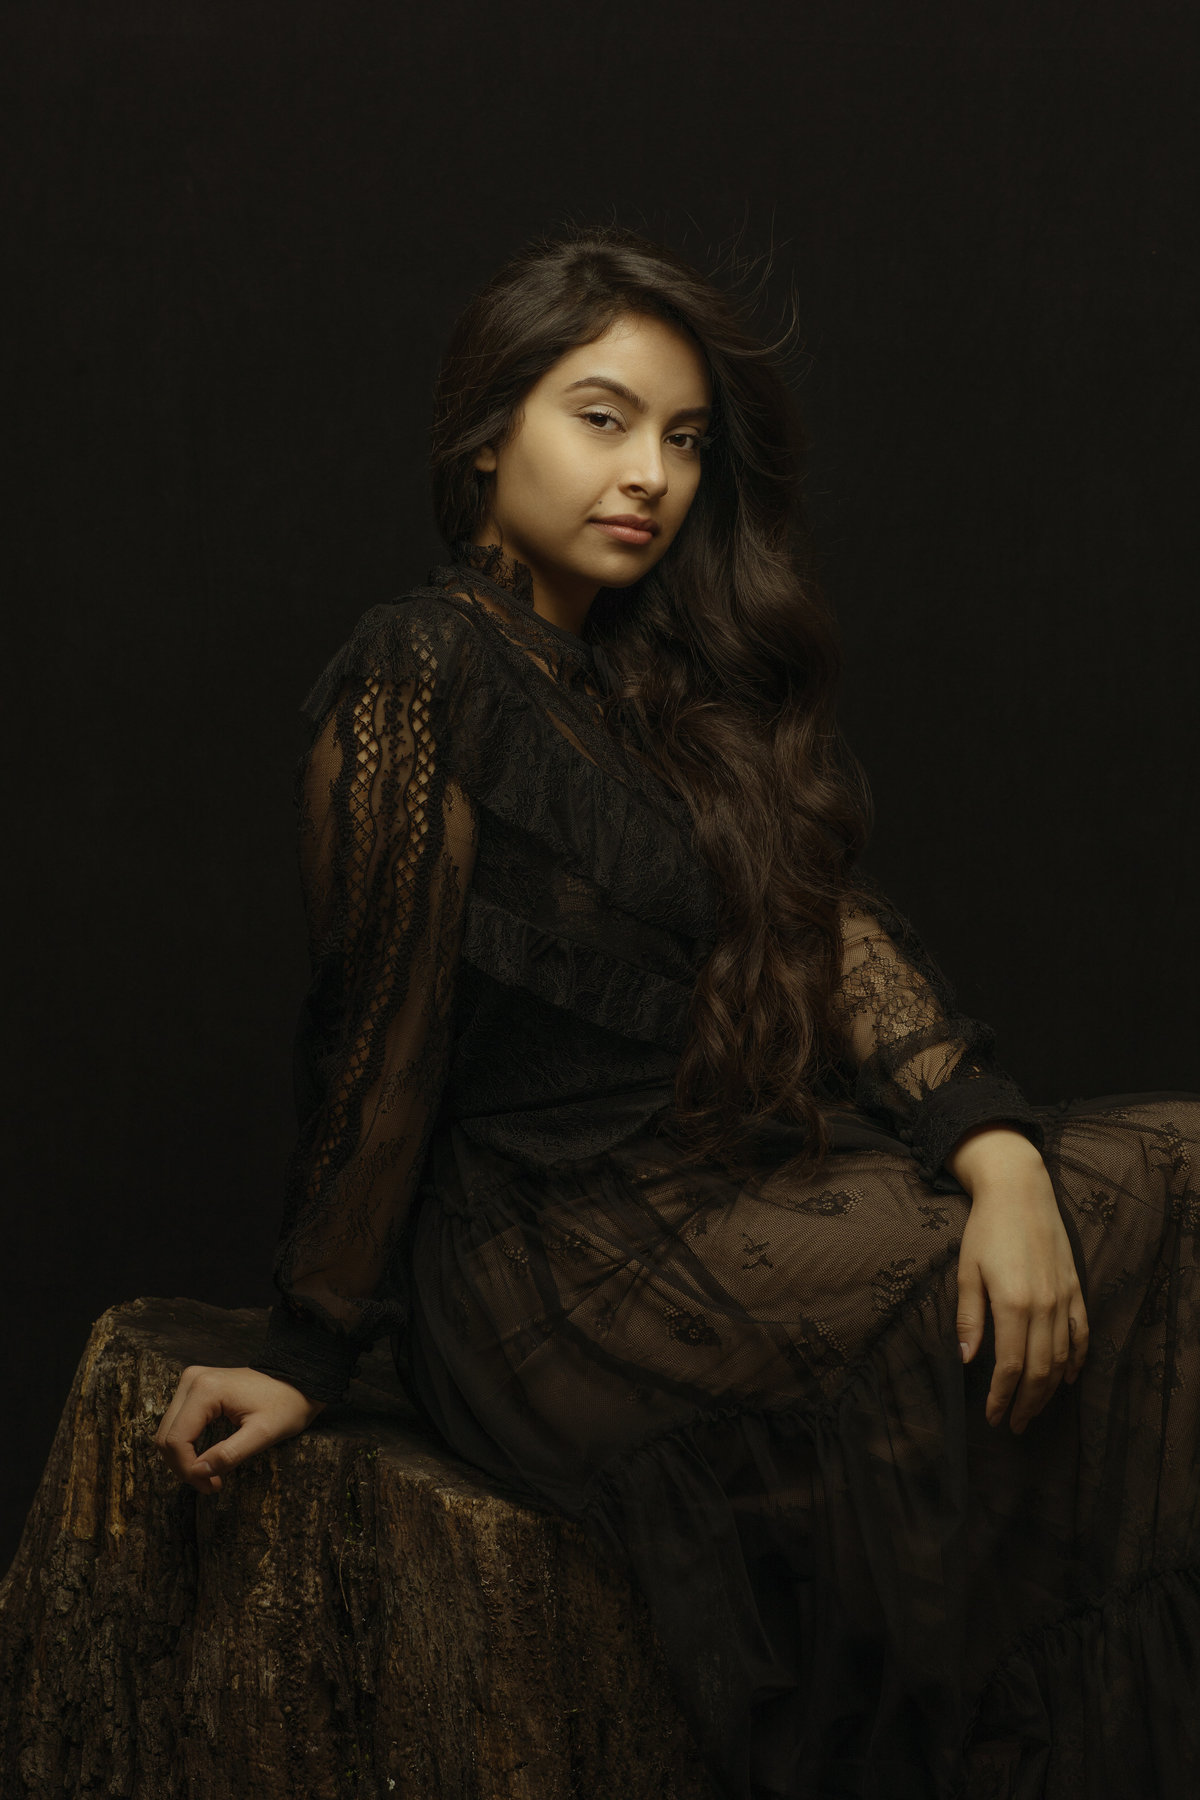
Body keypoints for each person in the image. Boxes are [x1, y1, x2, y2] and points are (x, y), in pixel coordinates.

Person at [154, 225, 1200, 1799]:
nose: (650, 471)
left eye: (686, 440)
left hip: (712, 1204)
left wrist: (994, 1151)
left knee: (1161, 1188)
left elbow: (835, 938)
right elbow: (382, 1030)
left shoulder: (662, 693)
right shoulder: (419, 667)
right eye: (603, 417)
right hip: (545, 1266)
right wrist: (312, 1337)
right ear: (487, 430)